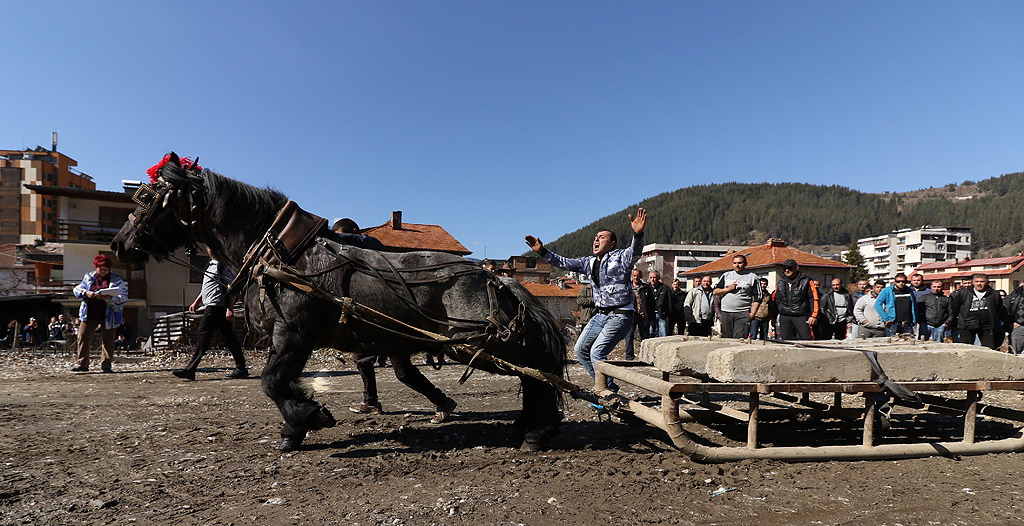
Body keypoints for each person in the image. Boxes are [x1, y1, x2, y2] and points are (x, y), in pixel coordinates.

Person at [525, 208, 647, 393]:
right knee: (580, 350)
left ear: (612, 243)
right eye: (596, 237)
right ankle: (609, 387)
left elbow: (635, 251)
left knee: (597, 352)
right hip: (600, 315)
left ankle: (604, 390)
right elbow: (563, 262)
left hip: (620, 314)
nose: (596, 239)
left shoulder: (621, 257)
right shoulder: (587, 262)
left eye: (602, 237)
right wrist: (542, 251)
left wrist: (637, 234)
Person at [172, 246, 248, 380]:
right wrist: (197, 302)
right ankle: (241, 367)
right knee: (229, 338)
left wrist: (230, 308)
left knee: (203, 335)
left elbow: (232, 288)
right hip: (211, 306)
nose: (209, 248)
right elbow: (207, 287)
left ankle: (190, 369)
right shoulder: (211, 265)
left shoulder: (223, 267)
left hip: (216, 307)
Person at [71, 254, 128, 372]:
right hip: (89, 313)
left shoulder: (116, 279)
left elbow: (123, 297)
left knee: (108, 340)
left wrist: (109, 298)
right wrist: (86, 293)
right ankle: (82, 364)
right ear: (96, 268)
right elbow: (77, 289)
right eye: (101, 269)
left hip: (109, 315)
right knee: (83, 337)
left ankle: (106, 365)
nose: (103, 272)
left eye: (106, 269)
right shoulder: (89, 277)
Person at [947, 274, 1007, 350]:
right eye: (977, 281)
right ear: (973, 282)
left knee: (989, 348)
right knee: (965, 349)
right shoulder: (963, 293)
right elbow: (955, 308)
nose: (979, 284)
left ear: (987, 282)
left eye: (982, 282)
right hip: (967, 325)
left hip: (987, 326)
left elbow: (998, 309)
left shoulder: (994, 294)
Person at [712, 254, 763, 339]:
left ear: (745, 263)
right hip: (726, 312)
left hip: (742, 313)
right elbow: (715, 291)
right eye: (735, 263)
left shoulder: (752, 277)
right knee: (726, 338)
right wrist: (727, 289)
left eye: (740, 263)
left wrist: (752, 314)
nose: (737, 265)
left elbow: (758, 297)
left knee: (740, 338)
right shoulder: (726, 275)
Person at [772, 259, 817, 340]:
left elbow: (813, 299)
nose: (787, 270)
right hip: (785, 316)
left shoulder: (806, 281)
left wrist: (813, 316)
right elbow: (776, 300)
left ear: (796, 268)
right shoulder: (781, 282)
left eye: (790, 268)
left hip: (801, 316)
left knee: (806, 340)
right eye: (785, 268)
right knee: (786, 342)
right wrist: (773, 317)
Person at [624, 268, 654, 361]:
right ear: (632, 276)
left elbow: (651, 302)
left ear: (641, 276)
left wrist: (649, 315)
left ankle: (645, 357)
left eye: (638, 276)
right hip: (631, 315)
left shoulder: (646, 288)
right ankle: (629, 356)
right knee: (629, 337)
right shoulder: (627, 287)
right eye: (634, 276)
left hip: (642, 316)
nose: (636, 277)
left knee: (645, 337)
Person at [875, 272, 917, 337]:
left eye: (903, 281)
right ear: (895, 282)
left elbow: (913, 305)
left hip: (907, 322)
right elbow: (877, 304)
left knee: (909, 342)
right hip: (893, 322)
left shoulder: (909, 291)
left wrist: (914, 319)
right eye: (898, 281)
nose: (901, 283)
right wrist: (885, 318)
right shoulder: (887, 291)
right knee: (892, 342)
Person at [649, 270, 671, 338]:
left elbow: (669, 301)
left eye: (654, 277)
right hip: (651, 315)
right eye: (651, 277)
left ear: (658, 278)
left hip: (662, 315)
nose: (653, 279)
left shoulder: (665, 288)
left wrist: (668, 313)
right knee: (651, 333)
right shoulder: (647, 288)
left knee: (663, 334)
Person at [1005, 282, 1024, 354]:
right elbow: (1004, 309)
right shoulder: (1015, 295)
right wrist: (1011, 323)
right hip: (1019, 327)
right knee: (1015, 353)